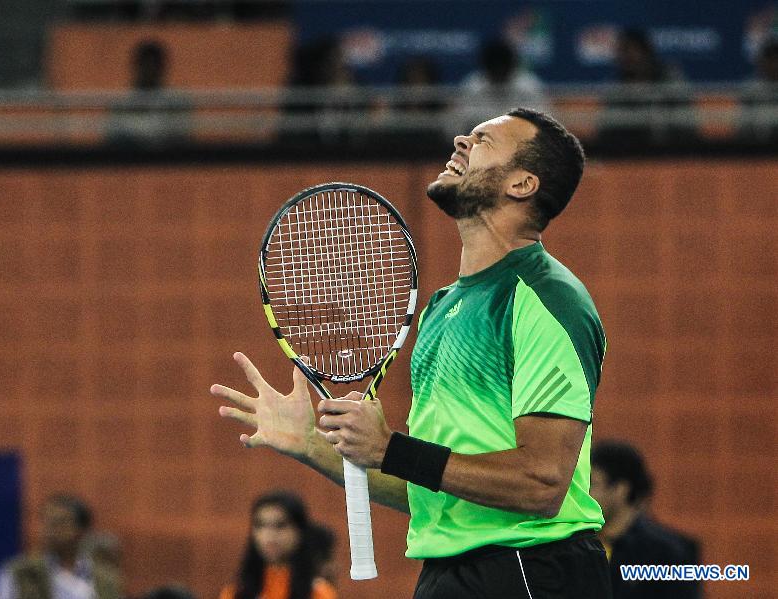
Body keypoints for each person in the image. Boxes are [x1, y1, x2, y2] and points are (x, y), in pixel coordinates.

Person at [213, 107, 612, 598]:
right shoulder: (443, 308)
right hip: (447, 574)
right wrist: (312, 446)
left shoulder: (546, 298)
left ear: (523, 184)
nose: (462, 140)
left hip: (529, 568)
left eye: (484, 140)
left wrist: (391, 448)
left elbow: (541, 483)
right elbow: (426, 487)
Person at [590, 441, 701, 599]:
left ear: (620, 490)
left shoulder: (668, 553)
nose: (585, 494)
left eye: (593, 484)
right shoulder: (580, 543)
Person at [0, 494, 120, 599]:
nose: (50, 530)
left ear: (81, 530)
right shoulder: (19, 572)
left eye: (60, 523)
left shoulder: (105, 579)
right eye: (46, 523)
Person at [218, 491, 337, 599]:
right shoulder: (235, 592)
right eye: (260, 525)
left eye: (280, 525)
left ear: (299, 531)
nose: (268, 535)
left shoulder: (319, 592)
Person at [445, 39, 550, 140]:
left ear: (511, 66)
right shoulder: (473, 86)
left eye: (503, 69)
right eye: (494, 70)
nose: (499, 73)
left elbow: (543, 122)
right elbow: (458, 125)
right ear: (486, 68)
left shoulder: (528, 86)